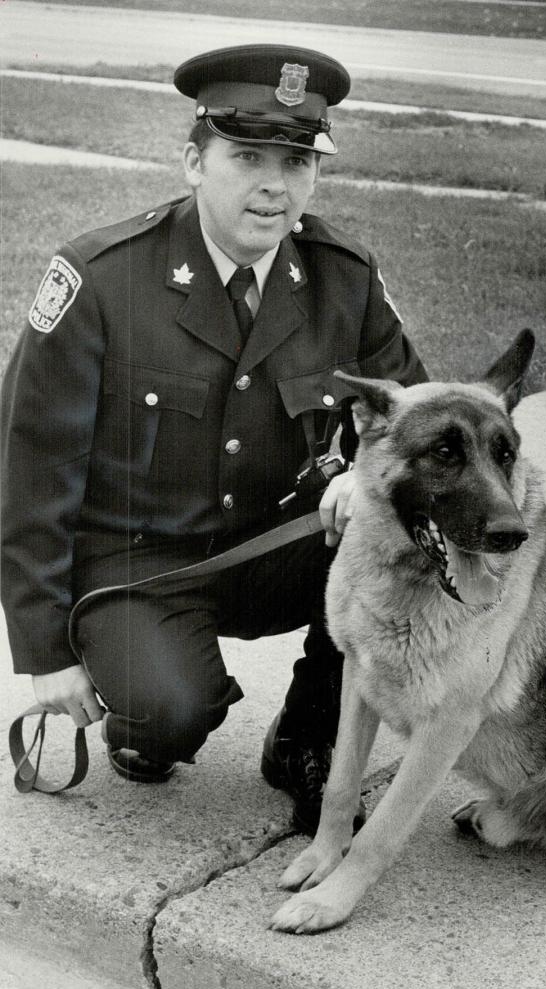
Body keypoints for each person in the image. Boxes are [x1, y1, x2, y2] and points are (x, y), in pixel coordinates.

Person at [0, 44, 427, 832]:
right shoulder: (101, 279)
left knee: (400, 533)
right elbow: (29, 472)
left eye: (297, 161)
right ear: (194, 162)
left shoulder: (343, 276)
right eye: (247, 156)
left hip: (278, 546)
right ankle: (147, 717)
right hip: (139, 563)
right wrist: (43, 653)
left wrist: (364, 470)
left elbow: (420, 421)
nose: (275, 185)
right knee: (169, 712)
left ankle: (308, 735)